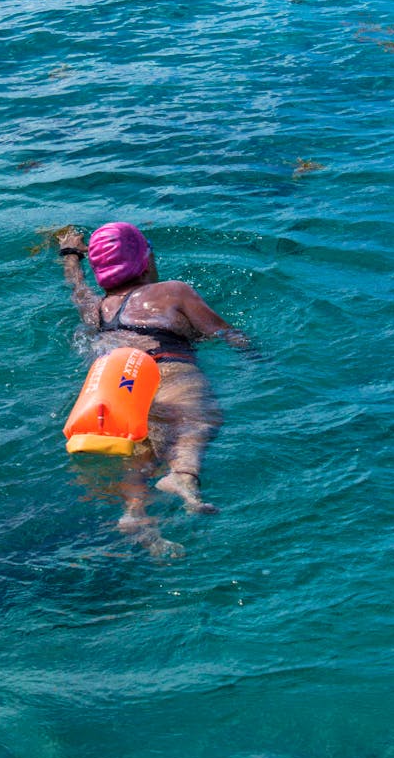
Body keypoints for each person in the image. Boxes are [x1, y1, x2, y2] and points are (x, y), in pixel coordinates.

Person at [57, 222, 252, 533]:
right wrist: (256, 356)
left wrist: (69, 255)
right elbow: (225, 333)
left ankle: (135, 511)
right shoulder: (172, 291)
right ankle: (184, 476)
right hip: (171, 372)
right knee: (197, 421)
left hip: (123, 386)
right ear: (145, 262)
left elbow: (77, 291)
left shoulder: (97, 309)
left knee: (145, 447)